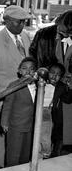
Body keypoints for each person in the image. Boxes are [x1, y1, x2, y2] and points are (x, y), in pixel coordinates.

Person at [0, 5, 31, 169]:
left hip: (25, 101)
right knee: (3, 136)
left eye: (24, 22)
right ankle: (1, 166)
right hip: (5, 100)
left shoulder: (25, 36)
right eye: (18, 22)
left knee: (21, 138)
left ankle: (20, 166)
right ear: (7, 21)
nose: (22, 25)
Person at [29, 10, 72, 152]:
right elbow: (33, 57)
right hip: (47, 88)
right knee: (46, 125)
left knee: (64, 127)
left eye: (67, 32)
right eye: (61, 29)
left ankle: (60, 151)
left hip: (67, 90)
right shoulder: (43, 35)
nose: (62, 33)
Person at [1, 57, 37, 167]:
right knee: (13, 153)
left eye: (31, 69)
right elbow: (7, 105)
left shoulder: (38, 85)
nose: (28, 71)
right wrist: (4, 122)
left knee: (26, 153)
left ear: (35, 71)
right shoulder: (14, 85)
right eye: (24, 68)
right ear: (19, 71)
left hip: (30, 125)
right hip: (15, 125)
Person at [45, 63, 72, 157]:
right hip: (42, 113)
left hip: (55, 115)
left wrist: (70, 88)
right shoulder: (41, 83)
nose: (54, 76)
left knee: (56, 136)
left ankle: (55, 154)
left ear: (61, 77)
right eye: (52, 73)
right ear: (47, 72)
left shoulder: (62, 86)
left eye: (58, 74)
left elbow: (67, 99)